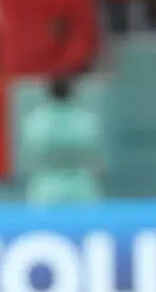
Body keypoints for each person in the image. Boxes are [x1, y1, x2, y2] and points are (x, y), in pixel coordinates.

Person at [18, 76, 105, 204]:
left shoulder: (35, 121)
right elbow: (97, 157)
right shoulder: (87, 120)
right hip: (81, 190)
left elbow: (28, 154)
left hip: (46, 191)